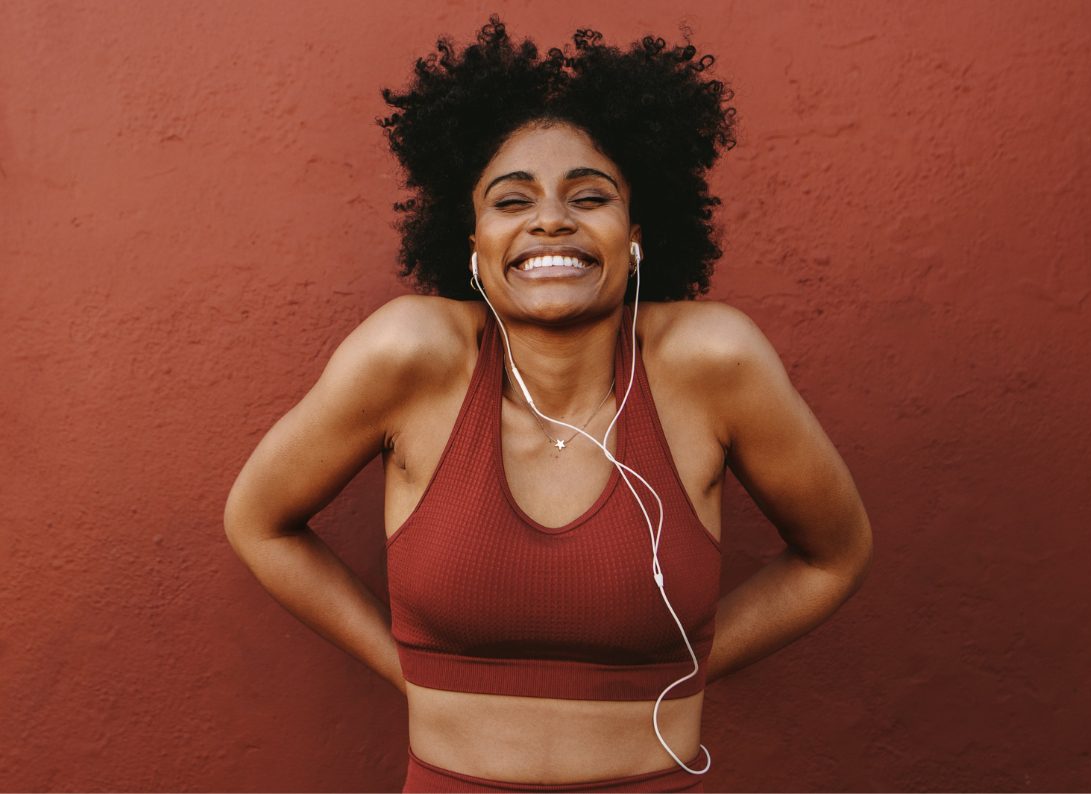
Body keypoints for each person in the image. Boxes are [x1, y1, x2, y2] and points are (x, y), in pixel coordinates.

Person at [224, 17, 872, 793]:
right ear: (471, 240)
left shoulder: (711, 362)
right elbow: (257, 522)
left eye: (589, 196)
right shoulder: (410, 356)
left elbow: (835, 555)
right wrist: (407, 670)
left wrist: (683, 661)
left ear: (634, 235)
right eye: (511, 200)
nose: (551, 219)